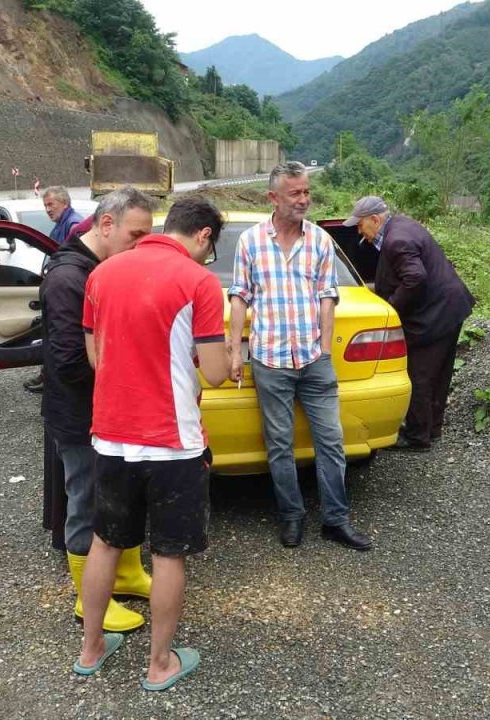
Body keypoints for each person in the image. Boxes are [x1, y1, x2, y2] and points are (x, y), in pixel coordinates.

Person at [73, 197, 228, 691]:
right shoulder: (199, 282)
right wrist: (224, 355)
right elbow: (218, 375)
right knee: (167, 554)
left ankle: (91, 649)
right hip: (173, 442)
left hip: (112, 437)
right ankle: (159, 664)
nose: (210, 257)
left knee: (105, 543)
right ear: (202, 235)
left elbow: (95, 355)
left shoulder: (103, 273)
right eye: (212, 247)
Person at [228, 161, 372, 551]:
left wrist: (324, 351)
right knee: (279, 445)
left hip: (314, 360)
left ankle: (336, 520)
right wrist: (233, 349)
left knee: (331, 441)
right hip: (269, 360)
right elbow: (239, 296)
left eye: (307, 192)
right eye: (296, 193)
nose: (304, 200)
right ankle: (291, 517)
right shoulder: (251, 242)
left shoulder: (321, 241)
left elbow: (328, 298)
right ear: (273, 197)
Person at [40, 187, 155, 632]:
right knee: (86, 501)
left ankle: (124, 574)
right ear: (106, 225)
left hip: (109, 413)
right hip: (81, 415)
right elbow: (70, 362)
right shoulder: (70, 278)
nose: (141, 245)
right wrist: (131, 377)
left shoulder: (101, 267)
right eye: (136, 234)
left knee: (119, 497)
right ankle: (91, 602)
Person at [344, 195, 476, 451]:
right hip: (449, 308)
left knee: (419, 374)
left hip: (436, 314)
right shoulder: (400, 226)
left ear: (374, 219)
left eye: (360, 225)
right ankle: (431, 428)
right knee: (439, 373)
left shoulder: (396, 240)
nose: (359, 231)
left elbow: (415, 277)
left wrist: (390, 308)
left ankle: (417, 437)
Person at [24, 185, 91, 396]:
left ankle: (50, 378)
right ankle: (46, 375)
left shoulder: (74, 225)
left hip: (64, 289)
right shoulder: (64, 223)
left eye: (51, 204)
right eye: (45, 205)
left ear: (64, 202)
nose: (47, 209)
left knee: (59, 336)